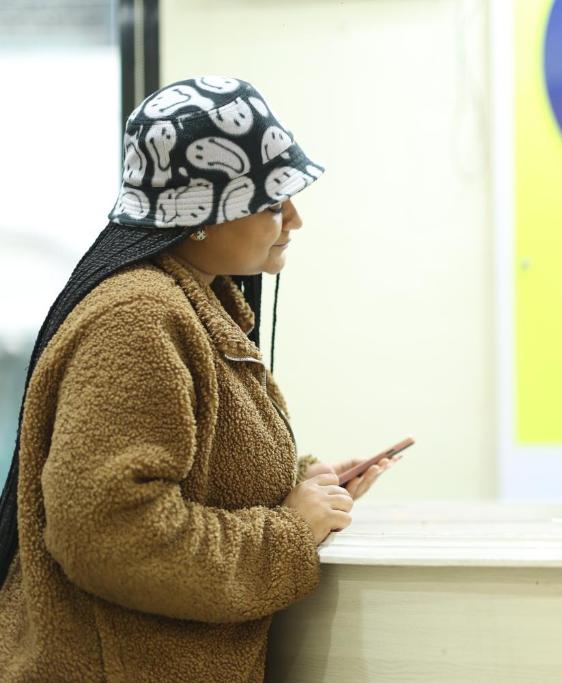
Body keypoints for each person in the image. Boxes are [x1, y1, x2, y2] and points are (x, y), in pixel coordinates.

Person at [0, 76, 393, 681]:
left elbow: (193, 469)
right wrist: (289, 532)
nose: (294, 218)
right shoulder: (139, 320)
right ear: (203, 215)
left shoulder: (191, 306)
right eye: (271, 201)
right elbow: (110, 534)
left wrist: (296, 481)